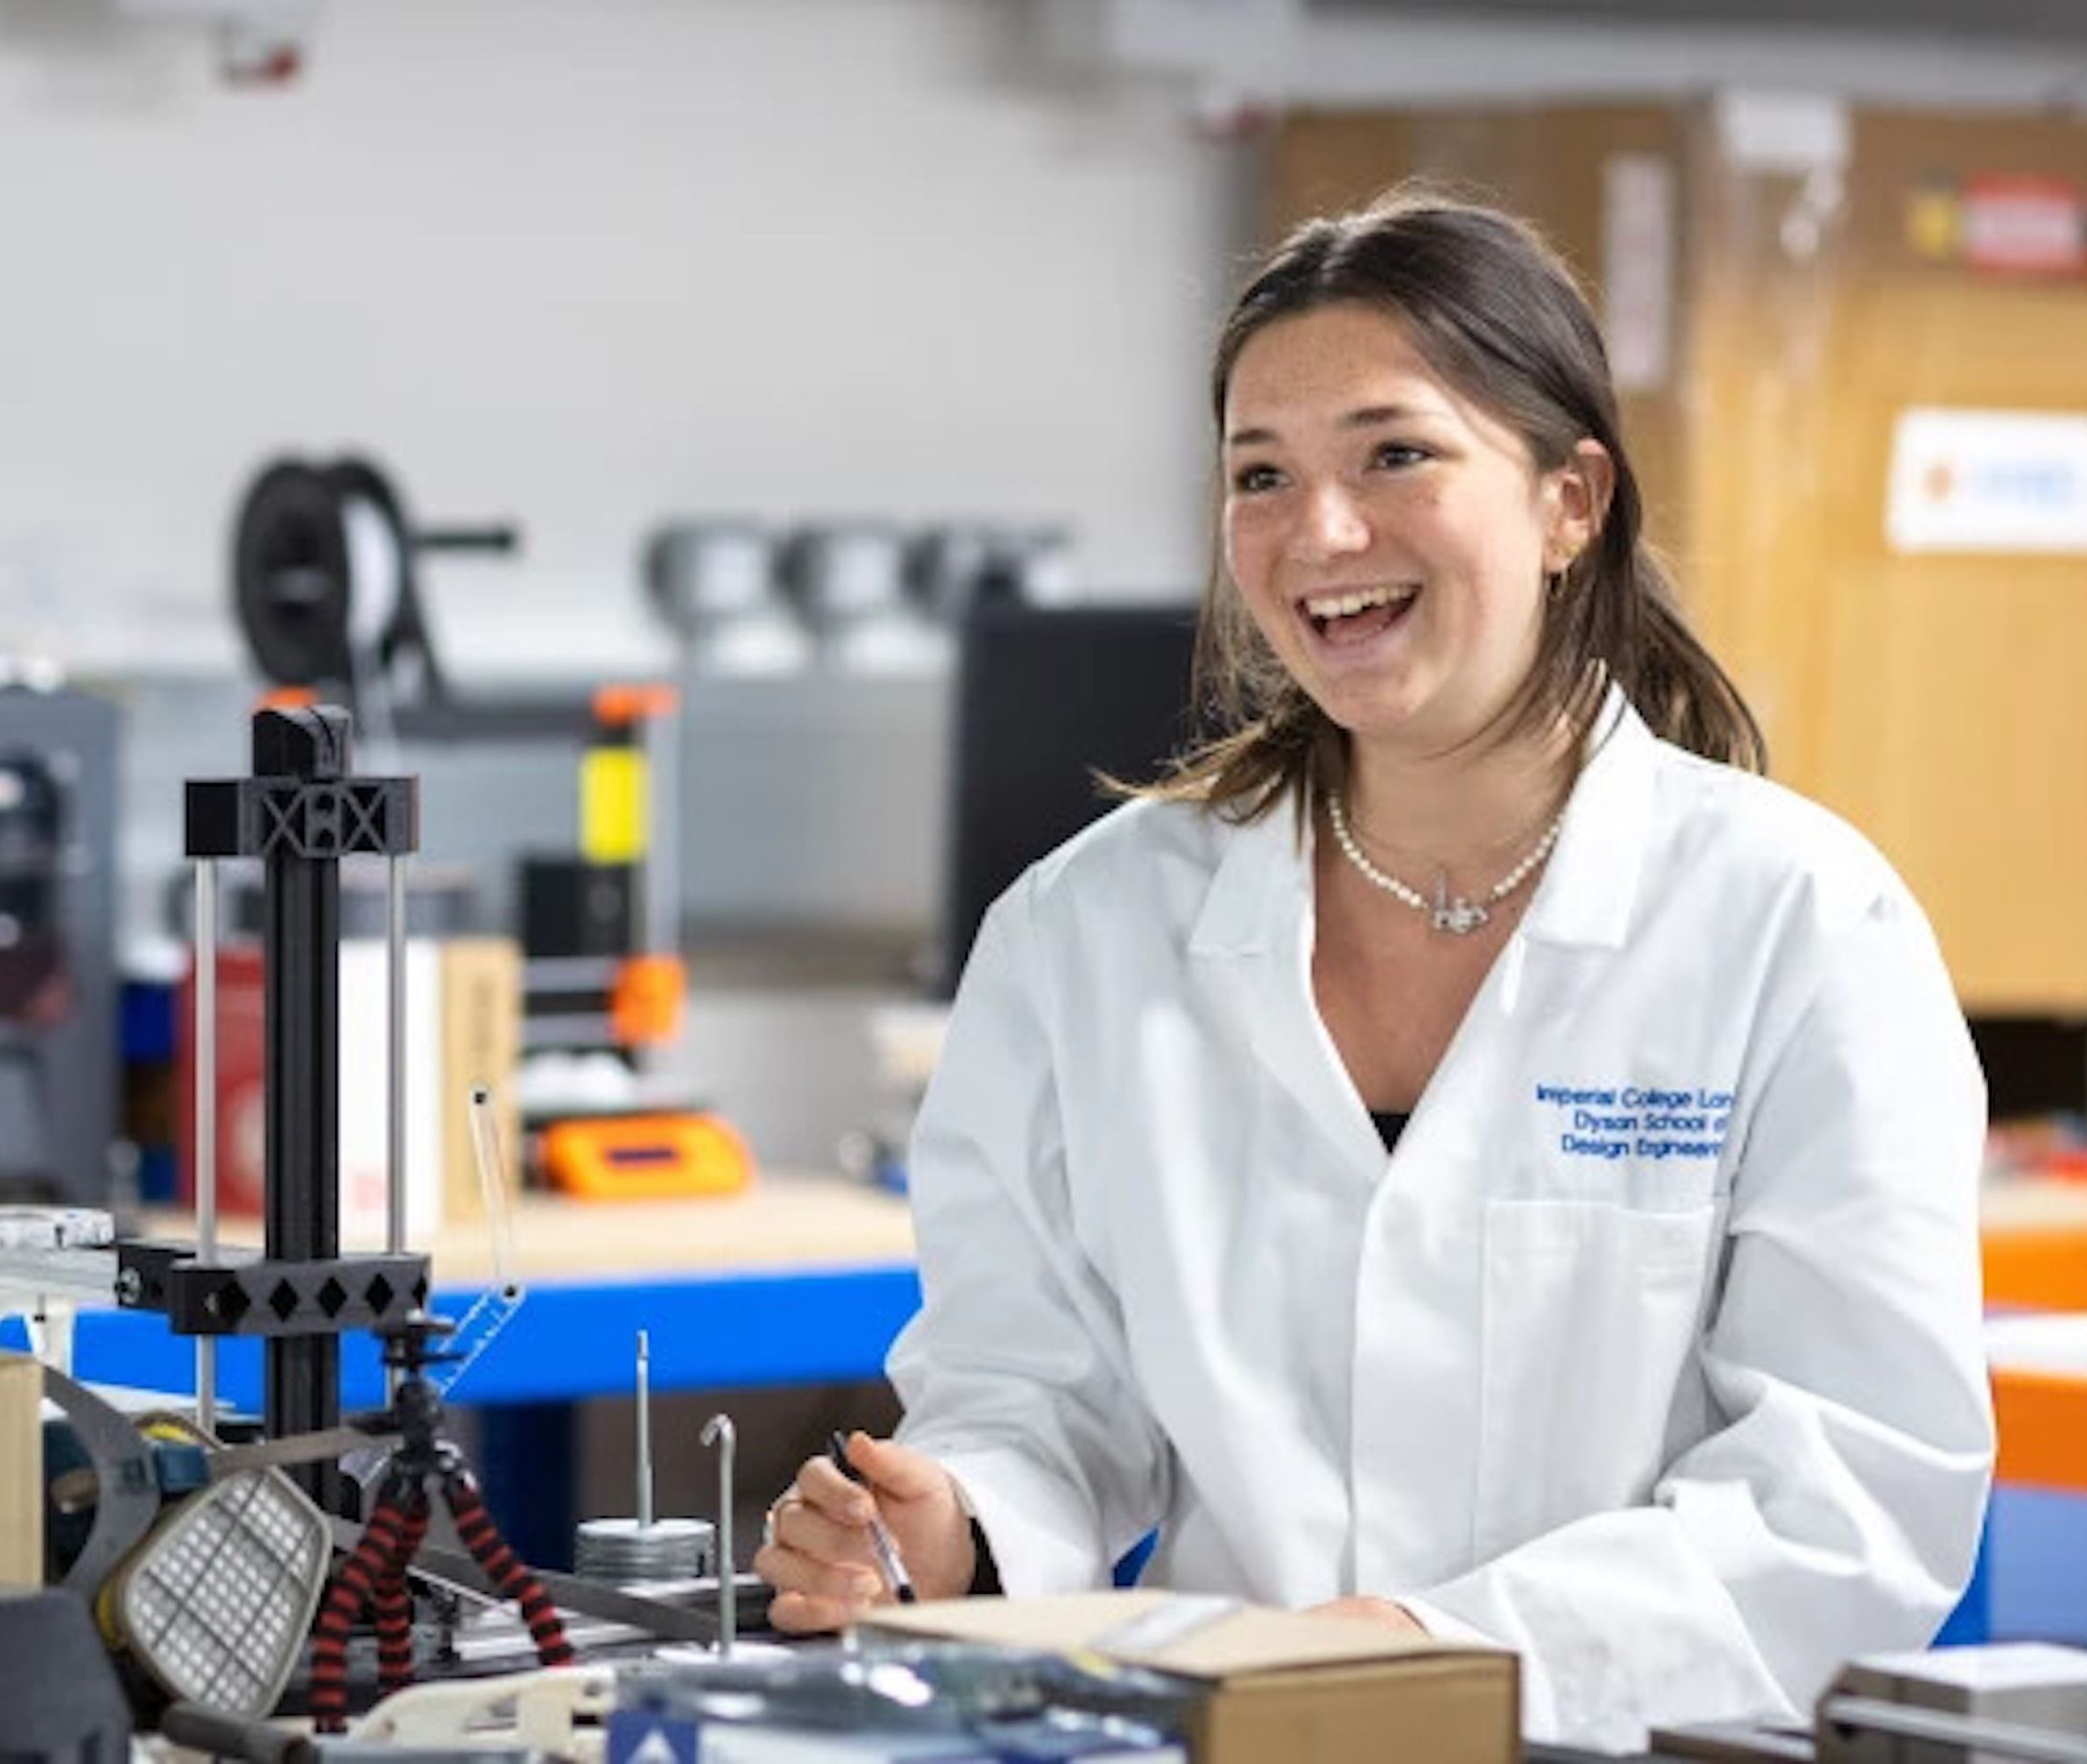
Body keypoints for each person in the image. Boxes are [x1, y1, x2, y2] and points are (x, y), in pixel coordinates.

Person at [753, 191, 1993, 1753]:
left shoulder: (1796, 924)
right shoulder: (1090, 935)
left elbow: (1853, 1492)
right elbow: (1033, 1387)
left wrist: (1432, 1646)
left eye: (1394, 453)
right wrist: (961, 1524)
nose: (1319, 534)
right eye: (1261, 475)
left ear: (1570, 500)